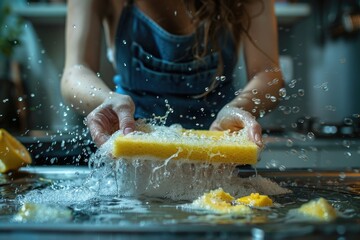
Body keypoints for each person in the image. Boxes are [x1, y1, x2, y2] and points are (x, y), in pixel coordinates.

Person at [61, 0, 284, 148]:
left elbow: (268, 73)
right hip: (132, 156)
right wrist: (107, 100)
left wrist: (239, 108)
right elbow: (74, 72)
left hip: (220, 155)